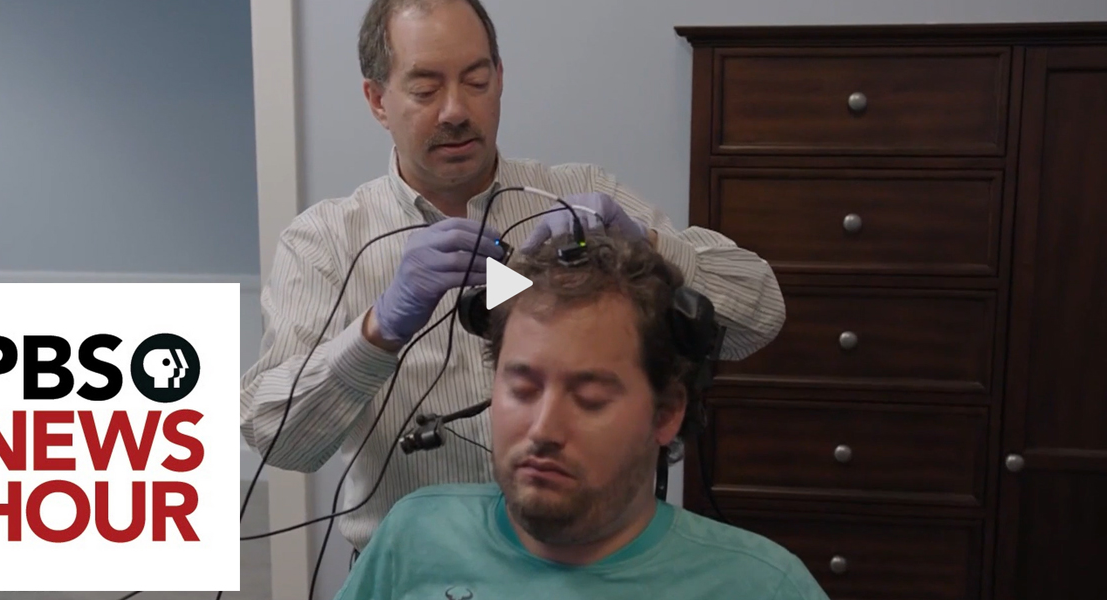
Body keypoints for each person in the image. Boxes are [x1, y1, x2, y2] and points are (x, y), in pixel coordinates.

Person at [239, 0, 786, 554]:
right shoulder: (325, 242)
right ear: (378, 100)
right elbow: (277, 440)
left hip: (591, 567)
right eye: (425, 90)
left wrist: (650, 248)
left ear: (499, 79)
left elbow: (761, 314)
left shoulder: (575, 195)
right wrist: (377, 330)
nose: (456, 110)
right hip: (421, 572)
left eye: (476, 82)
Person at [331, 230, 826, 600]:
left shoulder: (761, 586)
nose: (544, 429)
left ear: (666, 413)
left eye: (590, 398)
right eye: (522, 389)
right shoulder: (415, 536)